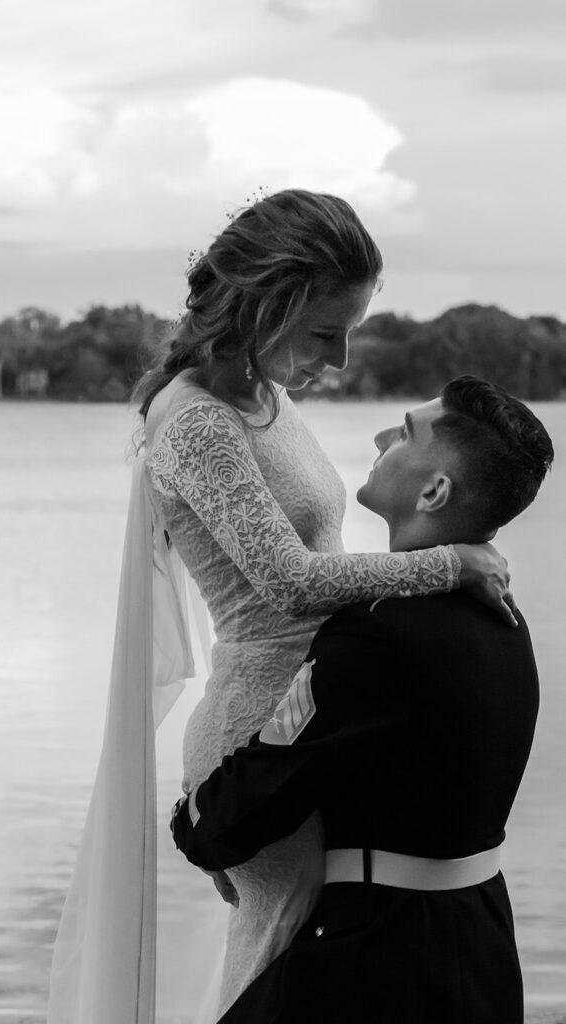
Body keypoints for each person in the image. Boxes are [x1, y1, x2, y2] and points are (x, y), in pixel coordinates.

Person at [47, 190, 512, 1024]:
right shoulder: (194, 419)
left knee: (308, 971)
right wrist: (451, 562)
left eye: (350, 332)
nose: (339, 359)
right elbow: (290, 581)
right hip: (259, 721)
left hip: (318, 710)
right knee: (272, 969)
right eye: (326, 333)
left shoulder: (264, 391)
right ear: (268, 304)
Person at [171, 375, 554, 1023]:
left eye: (404, 433)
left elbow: (252, 800)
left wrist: (191, 819)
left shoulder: (378, 633)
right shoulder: (504, 621)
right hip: (483, 945)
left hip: (377, 962)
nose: (380, 437)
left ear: (433, 491)